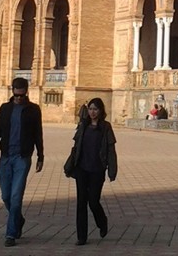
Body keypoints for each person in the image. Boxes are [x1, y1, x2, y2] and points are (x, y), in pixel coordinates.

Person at [0, 78, 44, 247]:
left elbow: (38, 134)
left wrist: (41, 156)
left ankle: (11, 234)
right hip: (5, 158)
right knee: (6, 196)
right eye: (16, 96)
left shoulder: (33, 110)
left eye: (22, 96)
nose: (19, 99)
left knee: (16, 197)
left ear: (26, 92)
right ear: (13, 92)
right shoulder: (5, 109)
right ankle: (18, 219)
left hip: (22, 158)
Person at [65, 97, 117, 246]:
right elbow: (76, 147)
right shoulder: (83, 125)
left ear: (101, 111)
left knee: (93, 201)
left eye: (95, 109)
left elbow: (111, 150)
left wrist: (112, 170)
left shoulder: (106, 127)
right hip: (82, 168)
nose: (92, 112)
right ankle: (82, 236)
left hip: (97, 169)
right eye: (90, 109)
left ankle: (102, 221)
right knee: (81, 202)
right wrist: (71, 165)